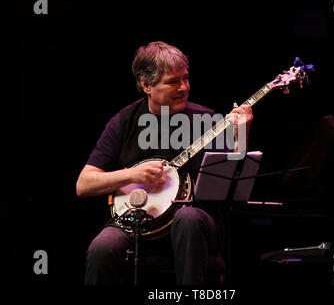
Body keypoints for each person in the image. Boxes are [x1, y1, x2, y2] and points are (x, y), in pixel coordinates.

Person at [76, 41, 253, 285]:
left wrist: (240, 135)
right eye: (173, 81)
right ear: (147, 85)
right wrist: (131, 175)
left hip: (196, 226)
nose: (184, 88)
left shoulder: (208, 120)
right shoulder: (124, 122)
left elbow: (235, 181)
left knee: (187, 219)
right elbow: (83, 184)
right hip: (136, 225)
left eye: (186, 78)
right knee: (102, 246)